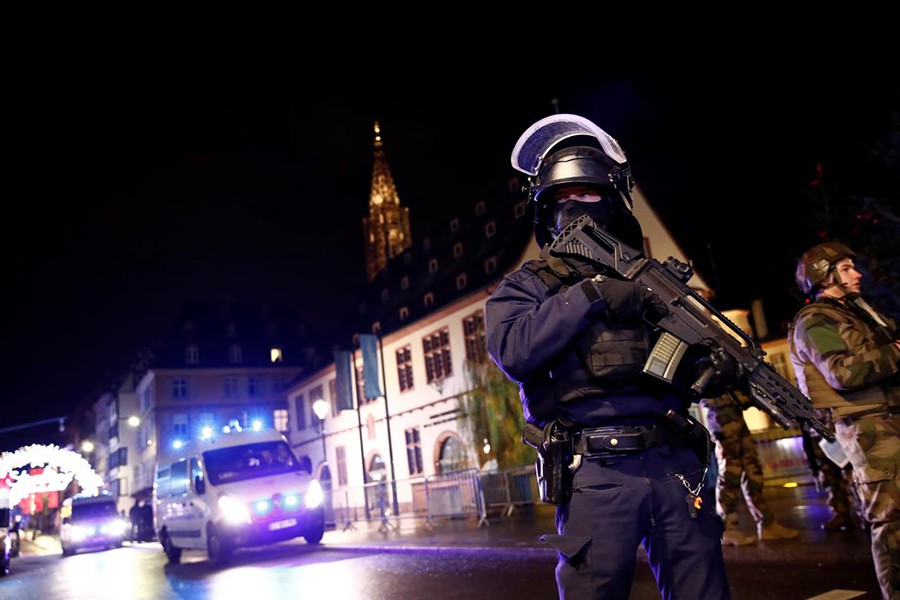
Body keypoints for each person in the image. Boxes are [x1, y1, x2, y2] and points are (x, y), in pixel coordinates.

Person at [486, 113, 735, 599]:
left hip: (675, 464)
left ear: (615, 201)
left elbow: (681, 361)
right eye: (562, 197)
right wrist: (591, 295)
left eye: (588, 194)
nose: (575, 206)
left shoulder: (654, 284)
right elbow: (514, 350)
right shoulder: (527, 286)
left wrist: (712, 367)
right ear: (545, 209)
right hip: (594, 472)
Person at [788, 240, 900, 600]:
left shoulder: (856, 313)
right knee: (892, 521)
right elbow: (841, 374)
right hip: (868, 430)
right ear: (825, 275)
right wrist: (895, 353)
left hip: (888, 419)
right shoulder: (815, 320)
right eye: (848, 268)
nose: (858, 274)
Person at [700, 390, 799, 545]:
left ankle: (766, 523)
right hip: (721, 415)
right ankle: (728, 529)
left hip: (735, 413)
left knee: (752, 470)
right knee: (730, 473)